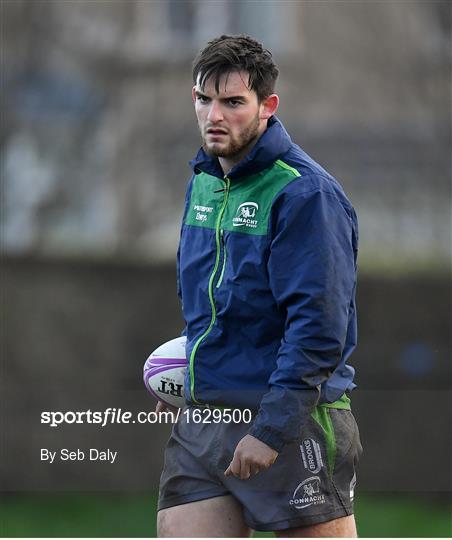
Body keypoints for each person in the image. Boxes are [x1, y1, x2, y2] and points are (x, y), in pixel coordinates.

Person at [156, 34, 362, 537]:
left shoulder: (304, 193)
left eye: (233, 103)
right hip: (205, 422)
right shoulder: (204, 182)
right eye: (205, 100)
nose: (215, 116)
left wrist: (271, 430)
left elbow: (318, 330)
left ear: (267, 106)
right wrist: (189, 372)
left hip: (292, 423)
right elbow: (207, 307)